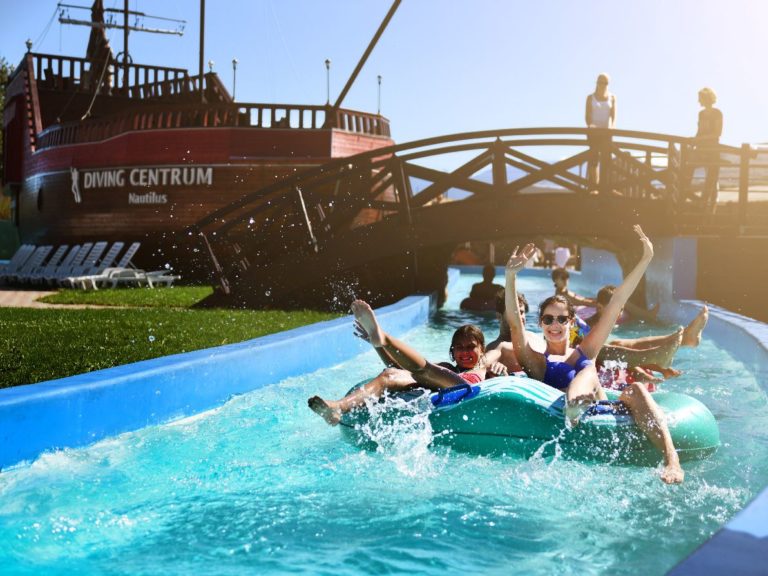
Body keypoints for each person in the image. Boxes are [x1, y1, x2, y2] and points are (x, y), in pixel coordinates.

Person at [504, 225, 685, 484]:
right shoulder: (536, 362)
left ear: (571, 322)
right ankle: (575, 403)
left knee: (634, 389)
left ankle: (671, 459)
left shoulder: (585, 350)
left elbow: (617, 301)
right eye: (548, 319)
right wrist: (511, 276)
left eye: (561, 319)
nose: (555, 325)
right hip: (567, 413)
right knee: (588, 368)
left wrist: (646, 258)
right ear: (541, 324)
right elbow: (514, 325)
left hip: (602, 408)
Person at [308, 300, 507, 425]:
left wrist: (500, 369)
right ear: (452, 352)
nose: (464, 352)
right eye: (459, 347)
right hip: (442, 384)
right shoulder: (446, 368)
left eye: (470, 346)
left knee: (426, 368)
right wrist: (377, 348)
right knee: (389, 375)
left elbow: (502, 358)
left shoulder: (484, 365)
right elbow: (401, 370)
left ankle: (384, 338)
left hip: (467, 388)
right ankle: (338, 407)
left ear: (482, 349)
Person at [687, 87, 723, 211]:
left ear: (706, 99)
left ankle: (706, 203)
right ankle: (689, 195)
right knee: (688, 166)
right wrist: (693, 140)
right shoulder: (701, 114)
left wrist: (700, 139)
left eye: (700, 98)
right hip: (701, 147)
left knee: (711, 177)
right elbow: (699, 131)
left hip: (712, 148)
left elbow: (717, 133)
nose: (698, 101)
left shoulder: (717, 113)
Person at [585, 73, 616, 191]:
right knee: (594, 159)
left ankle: (604, 187)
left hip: (606, 133)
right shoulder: (590, 97)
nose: (603, 85)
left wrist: (611, 128)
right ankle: (594, 187)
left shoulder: (612, 97)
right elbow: (587, 116)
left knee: (606, 159)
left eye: (606, 83)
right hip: (593, 132)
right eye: (601, 82)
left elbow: (613, 116)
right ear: (597, 83)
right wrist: (590, 126)